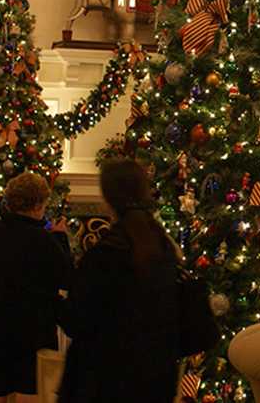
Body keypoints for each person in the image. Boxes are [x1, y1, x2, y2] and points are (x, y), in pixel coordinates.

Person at [58, 160, 180, 403]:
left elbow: (76, 320)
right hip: (155, 377)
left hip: (105, 378)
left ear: (108, 197)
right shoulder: (165, 248)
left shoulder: (106, 253)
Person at [0, 172, 71, 403]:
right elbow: (66, 278)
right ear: (39, 204)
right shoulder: (44, 241)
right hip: (32, 325)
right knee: (29, 389)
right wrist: (61, 239)